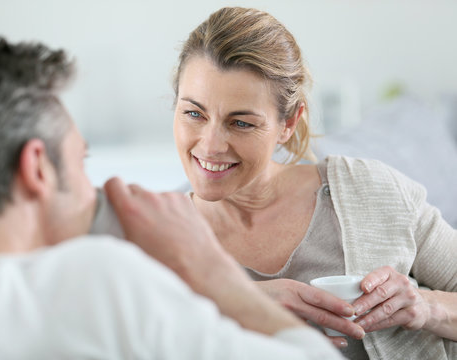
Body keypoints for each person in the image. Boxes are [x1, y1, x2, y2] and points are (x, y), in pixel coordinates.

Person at [0, 38, 344, 359]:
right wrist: (211, 270)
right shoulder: (86, 279)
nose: (94, 189)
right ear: (38, 169)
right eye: (81, 163)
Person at [171, 6, 457, 360]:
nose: (211, 145)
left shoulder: (369, 190)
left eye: (241, 123)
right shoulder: (155, 235)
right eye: (194, 113)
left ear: (288, 123)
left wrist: (429, 308)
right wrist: (240, 302)